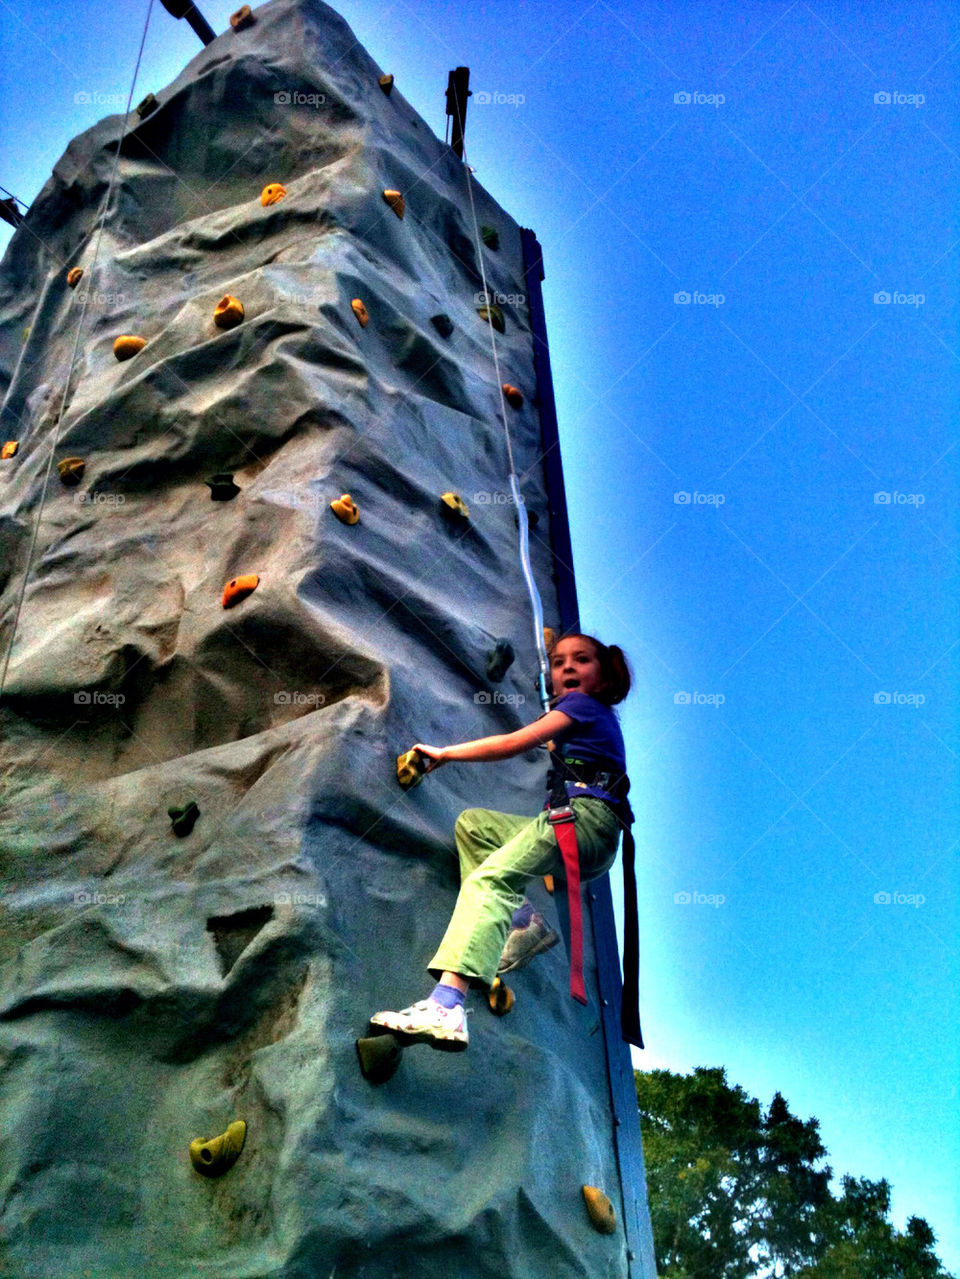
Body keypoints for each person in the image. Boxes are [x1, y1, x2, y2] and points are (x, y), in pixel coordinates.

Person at [367, 632, 632, 1051]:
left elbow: (513, 743)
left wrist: (446, 754)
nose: (566, 667)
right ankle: (520, 924)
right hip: (591, 834)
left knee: (490, 881)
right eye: (559, 661)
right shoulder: (586, 718)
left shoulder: (582, 706)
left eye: (581, 660)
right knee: (475, 827)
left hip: (579, 821)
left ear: (602, 678)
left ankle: (446, 1006)